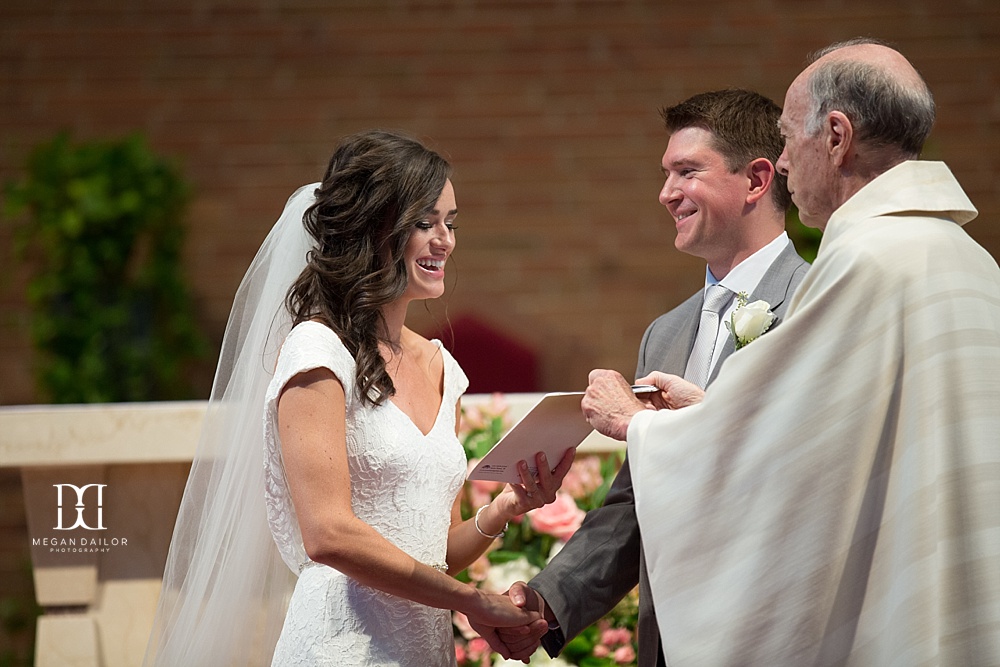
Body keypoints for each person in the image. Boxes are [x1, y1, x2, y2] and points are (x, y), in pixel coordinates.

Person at [582, 39, 1000, 665]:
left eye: (785, 137)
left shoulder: (868, 260)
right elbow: (841, 433)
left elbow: (793, 467)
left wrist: (636, 424)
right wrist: (706, 409)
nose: (779, 162)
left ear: (835, 136)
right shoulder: (968, 260)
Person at [143, 130, 574, 667]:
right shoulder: (317, 351)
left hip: (423, 649)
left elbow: (434, 548)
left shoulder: (445, 368)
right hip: (341, 647)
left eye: (451, 223)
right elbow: (328, 534)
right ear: (374, 229)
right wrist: (470, 602)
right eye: (425, 223)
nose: (445, 240)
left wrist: (507, 505)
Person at [472, 90, 810, 666]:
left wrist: (638, 421)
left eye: (687, 172)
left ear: (756, 180)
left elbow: (804, 471)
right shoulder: (667, 333)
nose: (666, 193)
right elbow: (636, 504)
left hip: (775, 630)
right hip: (669, 645)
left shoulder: (814, 302)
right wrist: (547, 606)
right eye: (665, 173)